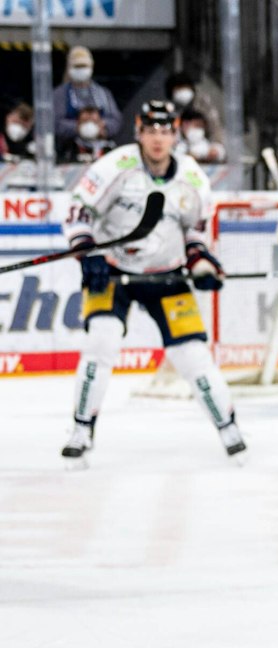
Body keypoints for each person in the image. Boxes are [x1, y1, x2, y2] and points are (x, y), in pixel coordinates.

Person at [60, 101, 243, 463]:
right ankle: (81, 429)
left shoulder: (192, 178)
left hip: (166, 274)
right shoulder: (116, 166)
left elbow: (196, 230)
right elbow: (79, 208)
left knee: (192, 355)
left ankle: (229, 427)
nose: (157, 139)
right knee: (102, 342)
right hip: (114, 270)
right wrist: (87, 250)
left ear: (175, 135)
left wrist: (200, 260)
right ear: (138, 133)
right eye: (150, 130)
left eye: (164, 131)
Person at [54, 47, 122, 147]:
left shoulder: (103, 93)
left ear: (91, 67)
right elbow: (54, 123)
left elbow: (116, 119)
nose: (81, 70)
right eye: (77, 66)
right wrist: (77, 127)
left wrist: (103, 126)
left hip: (101, 147)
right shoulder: (59, 94)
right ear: (69, 68)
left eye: (84, 66)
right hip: (69, 148)